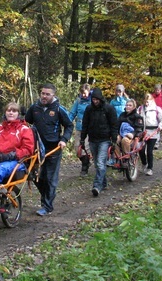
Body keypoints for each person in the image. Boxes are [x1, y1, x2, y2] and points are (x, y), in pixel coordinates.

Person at [25, 83, 73, 216]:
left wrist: (64, 140)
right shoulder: (35, 107)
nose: (44, 96)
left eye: (48, 94)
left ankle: (47, 206)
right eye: (43, 93)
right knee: (36, 177)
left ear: (53, 95)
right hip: (37, 149)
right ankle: (47, 196)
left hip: (54, 148)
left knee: (51, 178)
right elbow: (26, 121)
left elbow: (69, 126)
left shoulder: (59, 109)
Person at [80, 88, 119, 197]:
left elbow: (114, 125)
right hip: (92, 139)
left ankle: (97, 186)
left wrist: (114, 140)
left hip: (104, 140)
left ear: (100, 99)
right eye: (93, 99)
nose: (95, 101)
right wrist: (82, 139)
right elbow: (85, 125)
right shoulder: (89, 109)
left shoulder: (109, 109)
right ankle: (104, 183)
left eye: (97, 99)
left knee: (101, 162)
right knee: (97, 163)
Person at [137, 93, 162, 176]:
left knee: (149, 151)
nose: (146, 104)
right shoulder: (140, 109)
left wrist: (160, 126)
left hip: (153, 133)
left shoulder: (157, 109)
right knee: (141, 149)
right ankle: (144, 163)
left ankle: (150, 168)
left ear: (152, 101)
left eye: (148, 102)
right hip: (143, 133)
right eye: (145, 102)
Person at [69, 83, 92, 176]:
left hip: (89, 128)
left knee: (85, 147)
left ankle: (84, 168)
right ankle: (86, 162)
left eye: (85, 93)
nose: (83, 95)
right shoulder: (78, 101)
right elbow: (72, 113)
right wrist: (67, 122)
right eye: (81, 92)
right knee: (77, 148)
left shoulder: (92, 101)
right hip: (79, 127)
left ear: (89, 91)